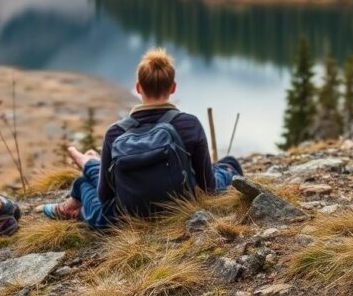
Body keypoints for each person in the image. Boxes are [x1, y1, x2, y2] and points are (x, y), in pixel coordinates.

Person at [39, 48, 241, 228]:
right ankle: (231, 168)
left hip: (128, 214)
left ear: (138, 88)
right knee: (228, 165)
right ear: (172, 88)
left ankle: (87, 166)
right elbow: (208, 187)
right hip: (181, 205)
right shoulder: (189, 125)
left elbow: (105, 196)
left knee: (83, 184)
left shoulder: (115, 133)